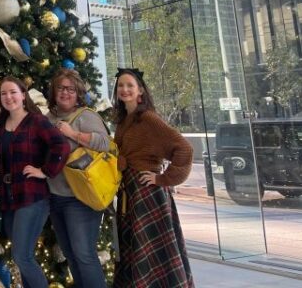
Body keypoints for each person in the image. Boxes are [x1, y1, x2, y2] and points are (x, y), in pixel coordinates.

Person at [112, 68, 194, 288]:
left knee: (152, 250)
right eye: (121, 85)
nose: (125, 89)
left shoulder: (147, 118)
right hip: (130, 191)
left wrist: (163, 179)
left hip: (147, 193)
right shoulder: (124, 119)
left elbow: (184, 149)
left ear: (140, 91)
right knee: (137, 247)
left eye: (130, 85)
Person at [0, 76, 70, 288]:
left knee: (22, 257)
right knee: (22, 257)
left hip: (32, 197)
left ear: (22, 95)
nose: (8, 97)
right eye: (3, 93)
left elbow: (61, 146)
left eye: (13, 92)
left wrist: (45, 171)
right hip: (9, 199)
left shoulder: (36, 120)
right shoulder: (2, 124)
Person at [46, 69, 110, 288]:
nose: (65, 93)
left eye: (70, 89)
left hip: (81, 198)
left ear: (78, 92)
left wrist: (72, 134)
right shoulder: (49, 118)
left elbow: (105, 143)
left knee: (84, 255)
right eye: (60, 88)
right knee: (71, 255)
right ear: (53, 92)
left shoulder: (86, 116)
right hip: (55, 196)